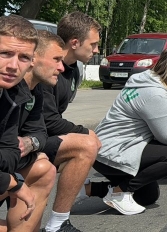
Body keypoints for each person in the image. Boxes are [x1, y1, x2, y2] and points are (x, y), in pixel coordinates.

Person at [92, 51, 167, 216]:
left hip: (105, 149)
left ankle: (91, 189)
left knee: (148, 196)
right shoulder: (156, 94)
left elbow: (143, 121)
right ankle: (119, 192)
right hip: (112, 153)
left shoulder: (143, 80)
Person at [38, 12, 102, 231]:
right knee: (87, 145)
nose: (96, 50)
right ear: (75, 42)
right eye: (93, 44)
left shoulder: (73, 71)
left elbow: (55, 116)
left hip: (40, 136)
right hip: (28, 139)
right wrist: (84, 132)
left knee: (89, 144)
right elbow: (48, 120)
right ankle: (57, 224)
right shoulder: (45, 71)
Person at [0, 15, 57, 232]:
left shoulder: (15, 92)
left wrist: (30, 146)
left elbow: (10, 152)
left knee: (43, 169)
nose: (13, 66)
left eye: (23, 57)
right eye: (5, 53)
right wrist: (13, 183)